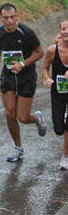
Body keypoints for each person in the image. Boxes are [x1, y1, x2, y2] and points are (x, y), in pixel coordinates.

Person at [0, 3, 46, 162]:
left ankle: (38, 119)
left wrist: (22, 64)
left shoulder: (26, 32)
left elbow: (40, 52)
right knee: (9, 113)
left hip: (26, 76)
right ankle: (18, 148)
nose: (9, 21)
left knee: (22, 117)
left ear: (17, 16)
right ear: (0, 18)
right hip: (8, 75)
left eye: (12, 17)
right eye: (5, 18)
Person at [42, 19, 68, 170]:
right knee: (59, 130)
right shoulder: (52, 50)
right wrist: (47, 79)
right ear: (60, 32)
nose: (66, 31)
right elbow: (45, 68)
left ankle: (65, 156)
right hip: (58, 92)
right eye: (63, 29)